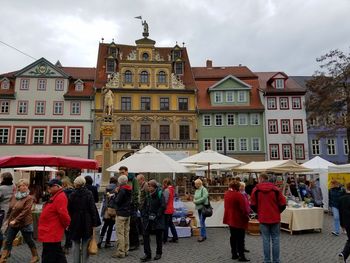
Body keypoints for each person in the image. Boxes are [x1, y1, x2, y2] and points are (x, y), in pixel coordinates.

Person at [0, 179, 39, 263]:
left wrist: (16, 220)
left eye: (26, 185)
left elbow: (25, 211)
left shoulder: (29, 198)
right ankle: (3, 258)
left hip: (25, 223)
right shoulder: (14, 196)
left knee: (29, 240)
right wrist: (7, 220)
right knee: (8, 240)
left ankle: (35, 256)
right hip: (13, 222)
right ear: (18, 187)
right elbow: (10, 209)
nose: (25, 187)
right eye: (22, 185)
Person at [250, 173, 286, 263]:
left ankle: (267, 260)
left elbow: (252, 205)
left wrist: (259, 212)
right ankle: (276, 260)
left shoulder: (256, 190)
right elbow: (283, 204)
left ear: (261, 179)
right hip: (275, 217)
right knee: (276, 239)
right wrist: (277, 212)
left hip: (263, 217)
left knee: (265, 240)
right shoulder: (275, 189)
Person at [38, 178, 71, 263]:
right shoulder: (55, 196)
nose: (48, 188)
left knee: (49, 255)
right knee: (56, 254)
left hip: (52, 231)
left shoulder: (60, 197)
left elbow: (63, 214)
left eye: (50, 186)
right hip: (49, 231)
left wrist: (66, 225)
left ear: (57, 187)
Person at [68, 176, 99, 263]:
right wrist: (94, 222)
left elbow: (69, 209)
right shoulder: (89, 193)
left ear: (76, 184)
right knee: (86, 244)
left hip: (75, 221)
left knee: (76, 244)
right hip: (87, 221)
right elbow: (93, 209)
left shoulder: (72, 194)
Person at [223, 181, 250, 262]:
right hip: (238, 219)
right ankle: (241, 256)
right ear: (238, 187)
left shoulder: (227, 194)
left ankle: (234, 254)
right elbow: (244, 209)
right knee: (240, 238)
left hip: (230, 218)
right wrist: (246, 215)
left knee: (233, 236)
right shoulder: (239, 195)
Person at [140, 179, 165, 262]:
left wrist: (157, 215)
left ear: (154, 187)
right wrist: (144, 215)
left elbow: (163, 206)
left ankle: (159, 253)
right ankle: (147, 254)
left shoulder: (160, 194)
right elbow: (144, 207)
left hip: (157, 219)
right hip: (148, 219)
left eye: (150, 186)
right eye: (148, 186)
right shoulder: (148, 196)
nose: (148, 187)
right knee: (145, 235)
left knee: (158, 237)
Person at [119, 166, 140, 251]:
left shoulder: (133, 179)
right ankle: (129, 243)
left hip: (131, 206)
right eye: (120, 173)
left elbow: (136, 192)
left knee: (133, 225)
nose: (121, 174)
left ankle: (135, 243)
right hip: (125, 207)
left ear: (127, 172)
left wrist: (134, 203)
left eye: (123, 172)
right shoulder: (122, 181)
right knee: (127, 226)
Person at [111, 175, 132, 258]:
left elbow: (117, 201)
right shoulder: (129, 189)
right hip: (127, 213)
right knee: (126, 233)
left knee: (120, 233)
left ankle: (121, 252)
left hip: (121, 213)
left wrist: (115, 194)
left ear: (120, 182)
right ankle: (126, 250)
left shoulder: (122, 190)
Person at [98, 177, 117, 249]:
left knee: (105, 226)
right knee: (111, 227)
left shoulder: (106, 188)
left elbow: (104, 200)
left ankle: (100, 242)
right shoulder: (116, 189)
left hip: (106, 209)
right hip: (114, 210)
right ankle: (107, 242)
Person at [0, 172, 15, 246]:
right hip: (12, 208)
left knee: (1, 229)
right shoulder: (14, 186)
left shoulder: (1, 188)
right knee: (8, 229)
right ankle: (7, 249)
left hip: (2, 210)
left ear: (3, 179)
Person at [162, 178, 178, 243]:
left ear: (166, 183)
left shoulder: (167, 190)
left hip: (167, 209)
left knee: (166, 224)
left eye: (164, 183)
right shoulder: (172, 189)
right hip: (171, 209)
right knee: (171, 224)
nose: (163, 185)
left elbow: (165, 201)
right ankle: (175, 237)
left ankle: (164, 239)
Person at [62, 177, 74, 254]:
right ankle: (68, 244)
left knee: (67, 230)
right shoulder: (73, 191)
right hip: (72, 212)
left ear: (64, 184)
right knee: (69, 229)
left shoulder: (64, 192)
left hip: (66, 211)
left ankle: (67, 245)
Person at [338, 182, 350, 262]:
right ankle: (344, 254)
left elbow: (340, 213)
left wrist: (342, 224)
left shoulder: (341, 199)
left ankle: (343, 255)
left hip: (347, 223)